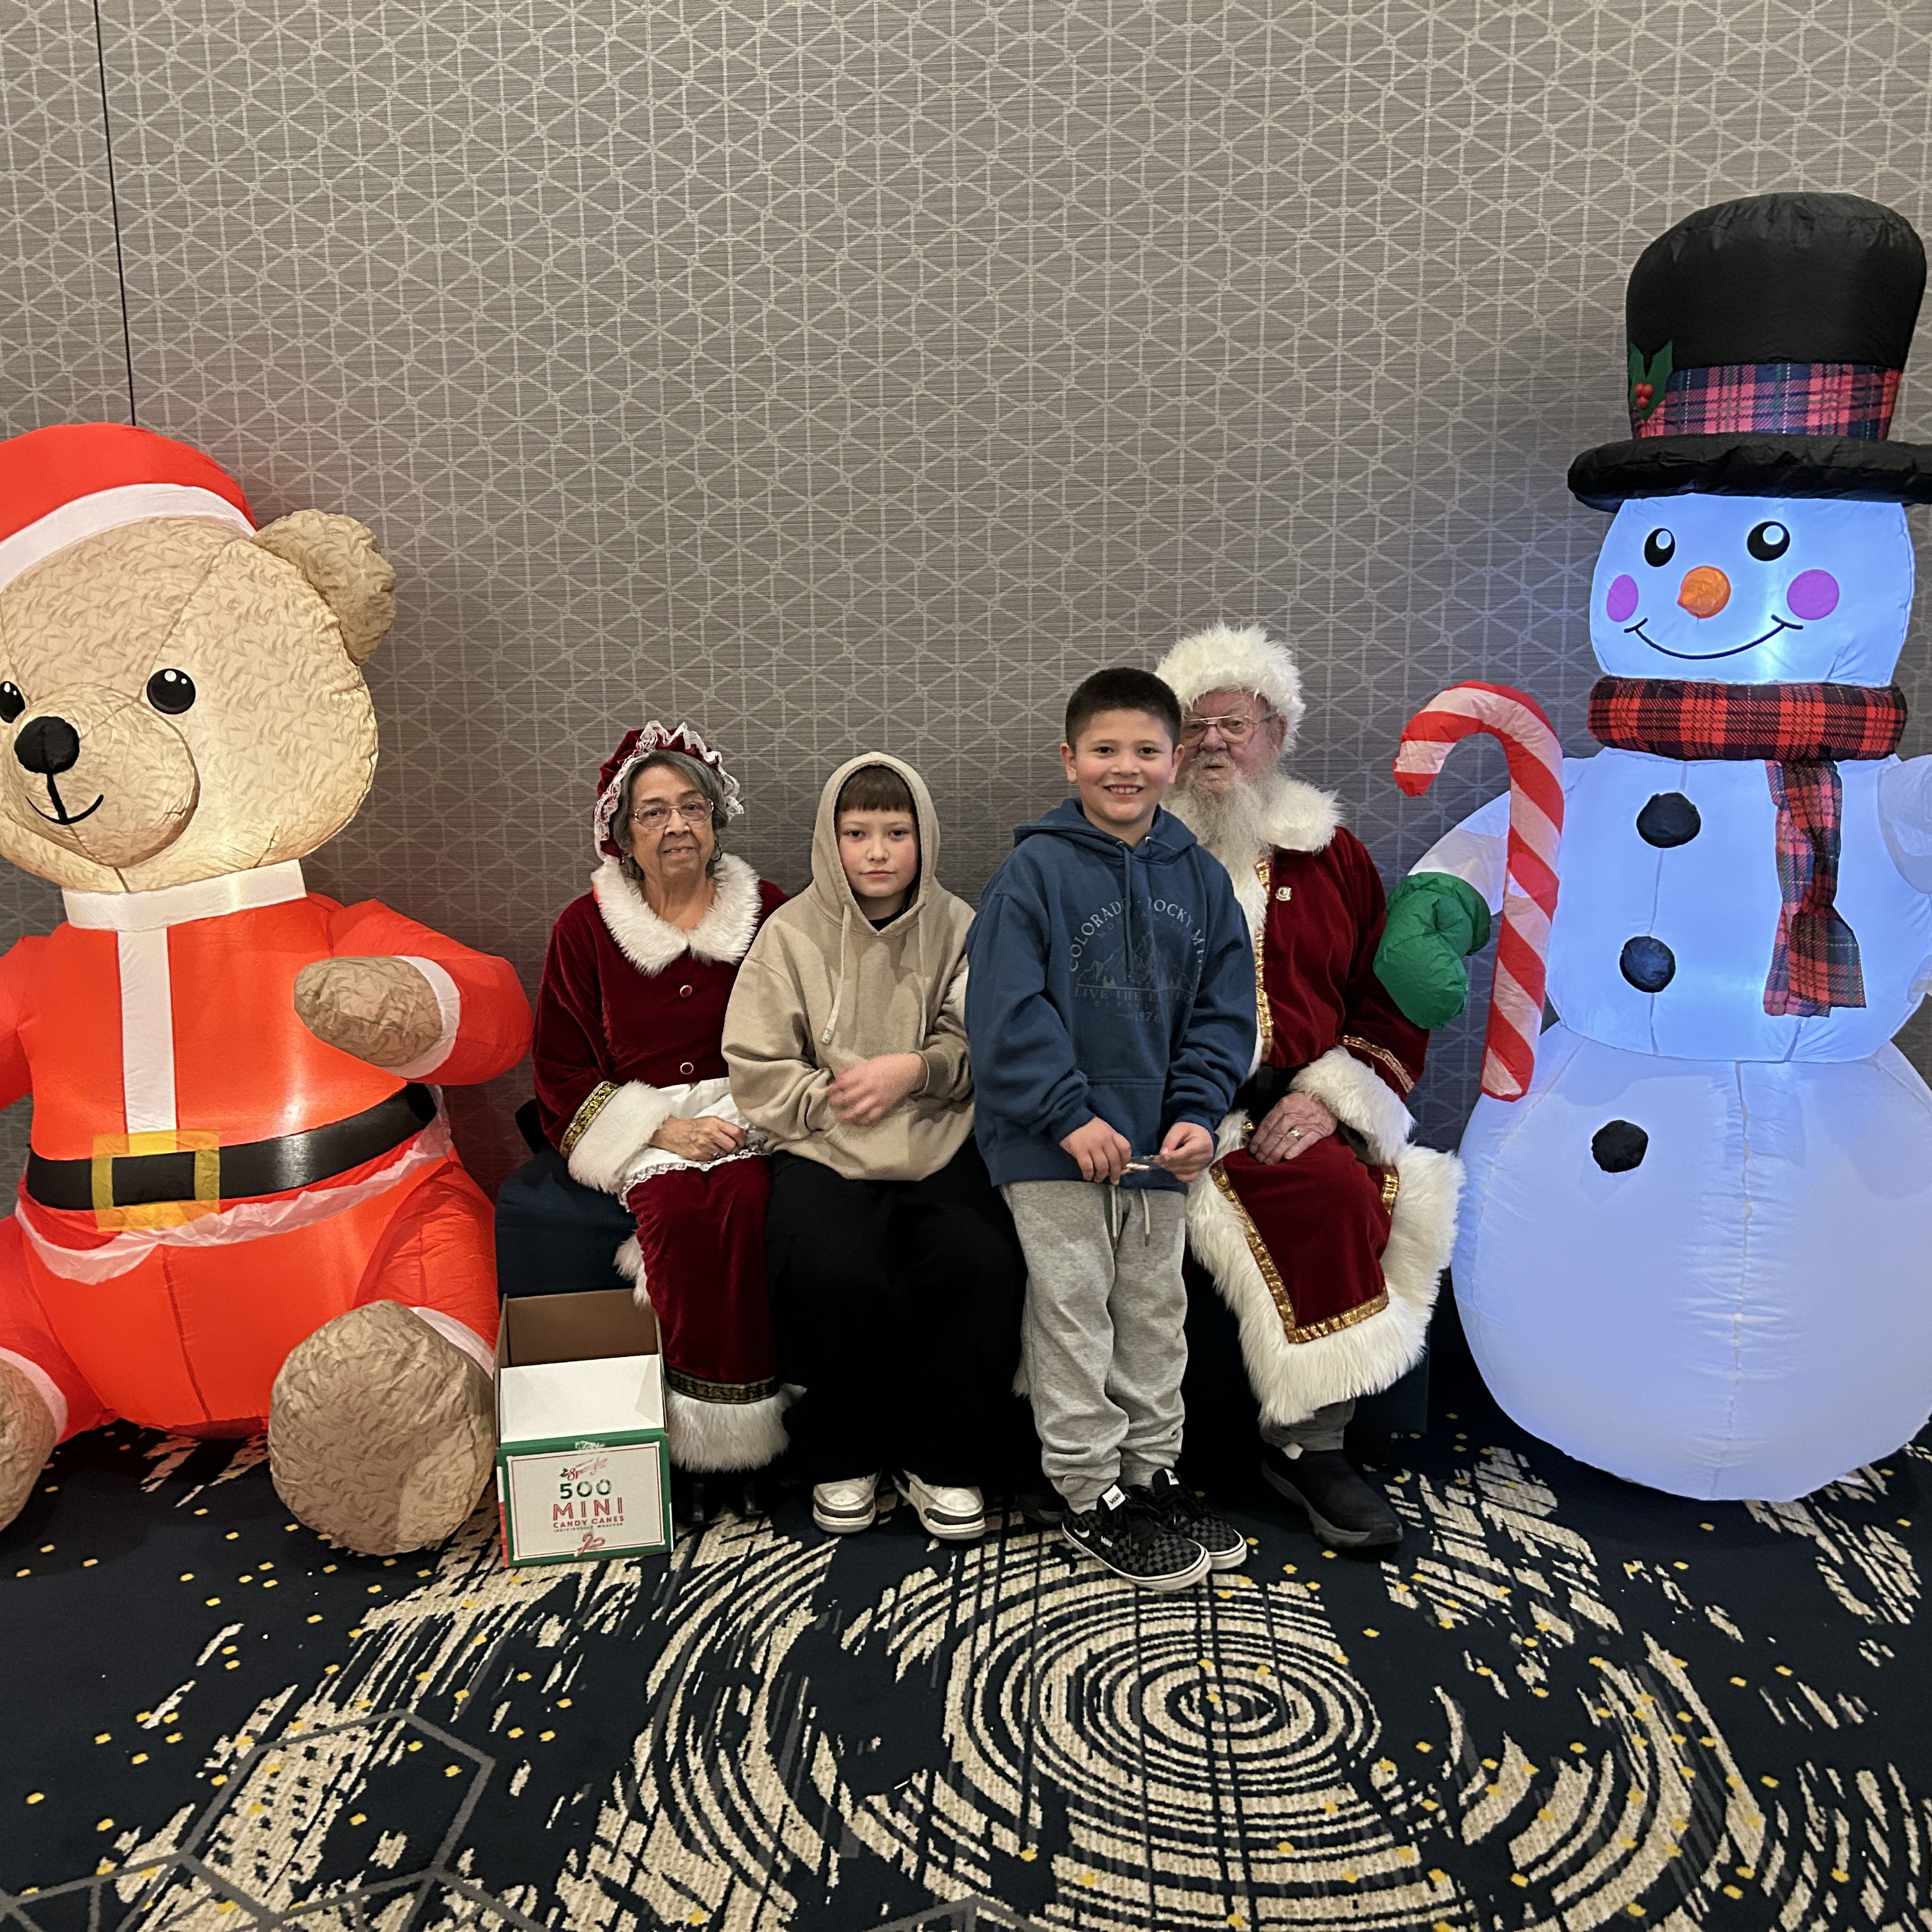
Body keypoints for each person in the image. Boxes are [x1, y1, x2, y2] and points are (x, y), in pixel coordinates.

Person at [1154, 624, 1462, 1551]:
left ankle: (1311, 1446)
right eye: (1194, 725)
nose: (1214, 743)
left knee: (1332, 1188)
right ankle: (1117, 1458)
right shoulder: (1128, 852)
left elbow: (1388, 999)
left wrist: (1329, 1095)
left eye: (1235, 725)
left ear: (1277, 735)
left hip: (1294, 1102)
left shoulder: (1336, 857)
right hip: (1153, 1108)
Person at [965, 668, 1255, 1590]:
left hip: (1160, 1147)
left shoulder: (1202, 881)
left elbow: (1222, 1013)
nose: (1123, 769)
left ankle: (1151, 1473)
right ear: (1070, 759)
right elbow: (1007, 1015)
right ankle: (1089, 1492)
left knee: (1153, 1313)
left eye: (1144, 751)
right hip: (1049, 1146)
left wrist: (1199, 1114)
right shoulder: (1031, 875)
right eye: (1104, 750)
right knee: (1074, 1308)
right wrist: (1065, 1113)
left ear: (1176, 762)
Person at [723, 755, 1027, 1541]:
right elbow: (758, 1064)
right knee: (830, 1264)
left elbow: (980, 1042)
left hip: (939, 1134)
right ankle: (844, 1454)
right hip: (824, 1142)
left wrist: (916, 1069)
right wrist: (830, 1100)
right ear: (831, 842)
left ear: (924, 837)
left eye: (897, 832)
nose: (879, 852)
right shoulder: (788, 933)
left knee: (979, 1259)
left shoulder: (962, 926)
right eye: (858, 834)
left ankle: (943, 1458)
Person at [532, 722, 788, 1517]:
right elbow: (562, 1064)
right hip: (643, 1122)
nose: (677, 825)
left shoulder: (768, 910)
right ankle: (700, 1451)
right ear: (622, 834)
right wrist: (655, 1130)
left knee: (749, 1202)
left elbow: (805, 1030)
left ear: (716, 819)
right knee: (676, 1211)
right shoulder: (585, 926)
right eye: (653, 813)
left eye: (692, 807)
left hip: (754, 1108)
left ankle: (757, 1447)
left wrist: (753, 1114)